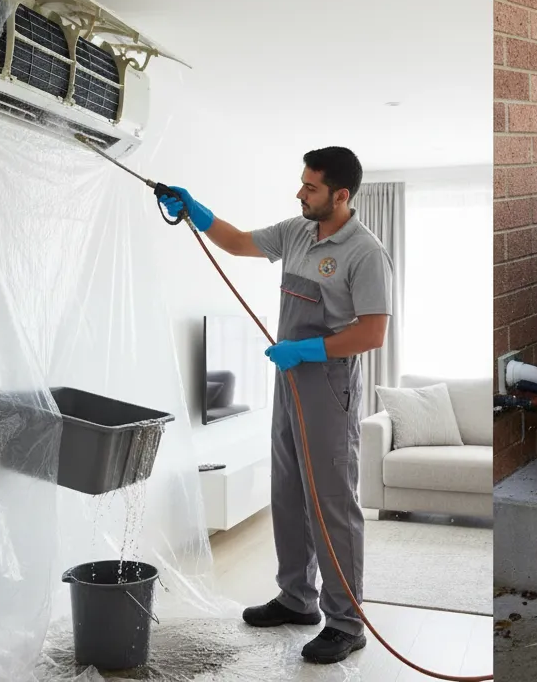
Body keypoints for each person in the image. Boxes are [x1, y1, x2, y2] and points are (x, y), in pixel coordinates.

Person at [158, 146, 393, 662]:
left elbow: (373, 333)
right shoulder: (297, 231)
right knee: (286, 491)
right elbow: (239, 242)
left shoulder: (365, 252)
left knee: (331, 502)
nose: (300, 193)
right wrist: (196, 211)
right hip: (289, 382)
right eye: (302, 183)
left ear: (340, 195)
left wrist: (307, 350)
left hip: (327, 383)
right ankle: (296, 597)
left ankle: (346, 622)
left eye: (311, 187)